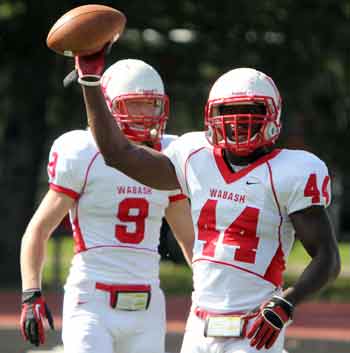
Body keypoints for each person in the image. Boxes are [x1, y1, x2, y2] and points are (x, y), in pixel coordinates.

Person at [74, 49, 341, 353]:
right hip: (199, 328)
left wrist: (286, 303)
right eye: (227, 111)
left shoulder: (291, 171)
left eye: (251, 110)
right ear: (211, 116)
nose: (238, 121)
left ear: (272, 115)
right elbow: (118, 154)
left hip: (255, 328)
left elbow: (328, 259)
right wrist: (91, 82)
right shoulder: (195, 156)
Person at [20, 58, 195, 353]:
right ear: (109, 107)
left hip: (148, 304)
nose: (145, 114)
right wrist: (30, 293)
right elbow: (38, 230)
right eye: (134, 104)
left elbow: (188, 236)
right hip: (92, 301)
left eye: (151, 104)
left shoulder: (169, 156)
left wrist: (211, 290)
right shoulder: (83, 152)